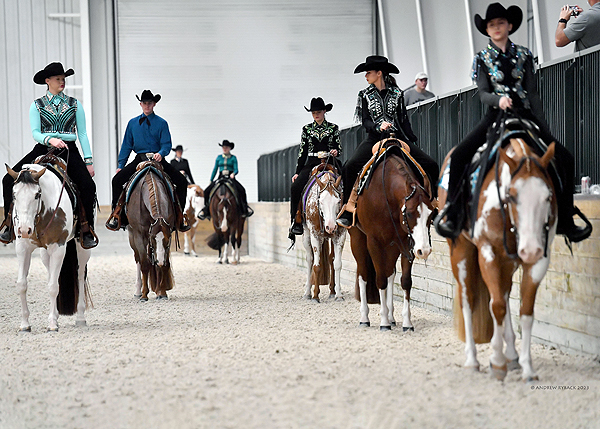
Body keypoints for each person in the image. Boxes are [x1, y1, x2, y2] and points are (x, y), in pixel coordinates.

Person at [435, 2, 592, 243]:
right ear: (487, 30)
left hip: (524, 114)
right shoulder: (481, 58)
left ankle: (566, 220)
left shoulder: (525, 54)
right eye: (491, 25)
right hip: (495, 116)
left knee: (565, 157)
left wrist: (543, 127)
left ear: (509, 26)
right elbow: (483, 92)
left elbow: (533, 94)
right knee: (458, 156)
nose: (496, 28)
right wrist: (499, 101)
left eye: (500, 23)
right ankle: (454, 214)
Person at [0, 62, 98, 248]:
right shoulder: (37, 105)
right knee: (7, 179)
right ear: (48, 81)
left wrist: (88, 160)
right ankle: (8, 225)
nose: (62, 82)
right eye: (58, 79)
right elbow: (35, 132)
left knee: (88, 186)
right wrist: (50, 140)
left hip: (69, 149)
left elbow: (82, 134)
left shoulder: (74, 104)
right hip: (43, 147)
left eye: (63, 79)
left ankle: (86, 230)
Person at [336, 55, 440, 228]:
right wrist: (378, 126)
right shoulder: (364, 95)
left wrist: (412, 139)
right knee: (349, 166)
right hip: (374, 138)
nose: (365, 76)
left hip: (397, 137)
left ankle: (434, 205)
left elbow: (403, 120)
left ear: (379, 73)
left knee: (431, 164)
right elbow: (365, 121)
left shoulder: (398, 94)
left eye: (368, 72)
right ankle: (349, 208)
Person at [105, 90, 190, 231]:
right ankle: (117, 215)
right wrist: (121, 165)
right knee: (116, 181)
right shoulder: (132, 123)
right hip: (139, 159)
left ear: (154, 104)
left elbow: (167, 144)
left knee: (181, 182)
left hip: (158, 159)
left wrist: (161, 153)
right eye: (144, 103)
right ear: (140, 104)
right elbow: (126, 145)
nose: (147, 105)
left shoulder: (162, 123)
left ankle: (179, 217)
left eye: (149, 103)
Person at [289, 97, 342, 236]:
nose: (316, 115)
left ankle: (348, 213)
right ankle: (296, 221)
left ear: (324, 111)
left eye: (318, 112)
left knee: (347, 178)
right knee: (295, 187)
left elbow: (339, 147)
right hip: (312, 161)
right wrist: (297, 172)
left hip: (330, 161)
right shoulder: (306, 129)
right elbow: (302, 152)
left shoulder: (333, 128)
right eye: (313, 113)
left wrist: (336, 151)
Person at [197, 140, 253, 219]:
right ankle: (206, 210)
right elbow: (215, 169)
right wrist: (211, 180)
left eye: (226, 147)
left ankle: (244, 208)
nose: (224, 149)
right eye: (223, 147)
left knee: (242, 189)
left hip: (230, 177)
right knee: (206, 191)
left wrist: (233, 173)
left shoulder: (233, 158)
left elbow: (236, 169)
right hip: (221, 177)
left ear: (230, 148)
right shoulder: (219, 157)